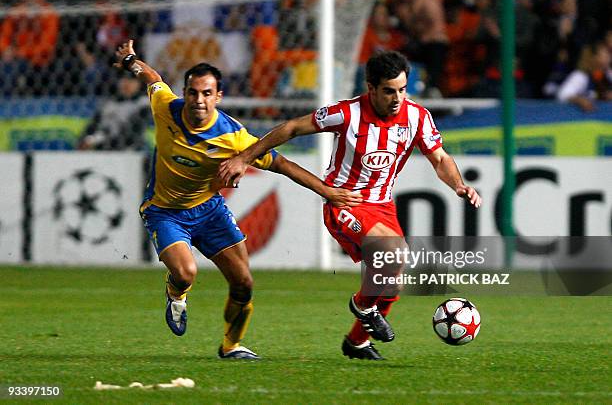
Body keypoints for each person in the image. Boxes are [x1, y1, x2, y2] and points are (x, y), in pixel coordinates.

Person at [218, 51, 481, 360]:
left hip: (382, 206)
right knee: (393, 252)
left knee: (392, 284)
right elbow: (291, 128)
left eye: (402, 89)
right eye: (388, 91)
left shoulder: (417, 117)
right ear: (371, 88)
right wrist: (244, 157)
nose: (397, 98)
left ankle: (356, 342)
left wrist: (458, 184)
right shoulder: (346, 113)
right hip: (344, 202)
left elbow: (439, 157)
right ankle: (361, 304)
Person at [112, 39, 361, 359]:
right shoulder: (166, 108)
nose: (199, 100)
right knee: (186, 273)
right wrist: (131, 59)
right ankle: (176, 293)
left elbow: (281, 164)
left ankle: (232, 345)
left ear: (218, 97)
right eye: (193, 92)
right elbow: (153, 78)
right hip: (165, 211)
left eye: (206, 93)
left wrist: (326, 191)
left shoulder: (233, 137)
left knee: (243, 283)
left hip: (210, 210)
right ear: (185, 92)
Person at [77, 74, 150, 150]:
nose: (126, 83)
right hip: (101, 143)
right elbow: (93, 125)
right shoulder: (108, 103)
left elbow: (133, 133)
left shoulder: (143, 104)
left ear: (139, 83)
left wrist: (99, 142)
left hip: (127, 148)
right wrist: (85, 140)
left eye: (131, 80)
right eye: (124, 79)